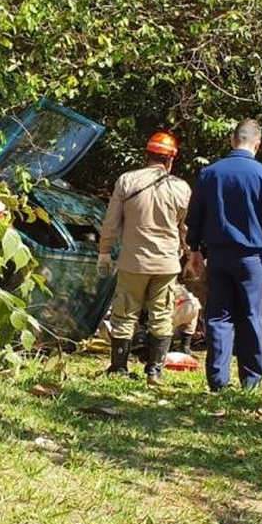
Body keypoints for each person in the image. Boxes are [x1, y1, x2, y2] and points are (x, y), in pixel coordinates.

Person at [185, 119, 262, 391]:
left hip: (218, 255)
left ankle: (218, 380)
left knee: (218, 316)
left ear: (232, 141)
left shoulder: (210, 173)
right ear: (258, 144)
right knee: (250, 314)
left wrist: (194, 250)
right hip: (251, 258)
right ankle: (251, 380)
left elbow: (194, 215)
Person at [96, 131, 192, 385]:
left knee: (125, 313)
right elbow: (186, 230)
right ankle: (154, 371)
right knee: (161, 315)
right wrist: (192, 256)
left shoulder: (127, 181)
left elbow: (111, 223)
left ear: (146, 155)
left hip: (133, 262)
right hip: (167, 263)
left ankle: (118, 368)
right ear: (170, 160)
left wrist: (104, 252)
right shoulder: (181, 188)